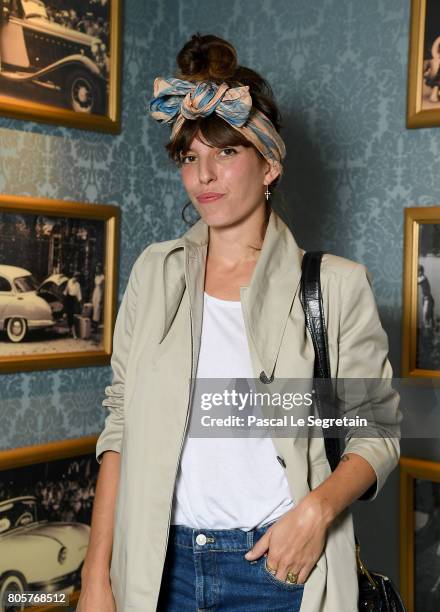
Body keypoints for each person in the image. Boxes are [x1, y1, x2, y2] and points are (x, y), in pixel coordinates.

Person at [77, 34, 400, 611]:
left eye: (225, 152)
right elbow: (120, 428)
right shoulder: (153, 274)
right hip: (158, 571)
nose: (204, 175)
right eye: (189, 156)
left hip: (277, 571)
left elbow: (378, 433)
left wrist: (316, 511)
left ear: (270, 163)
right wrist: (97, 577)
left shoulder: (335, 285)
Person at [63, 271, 82, 339]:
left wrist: (80, 303)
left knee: (72, 316)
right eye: (75, 277)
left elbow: (79, 294)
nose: (76, 278)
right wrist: (65, 293)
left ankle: (73, 333)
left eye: (77, 277)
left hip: (73, 300)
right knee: (69, 316)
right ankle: (71, 332)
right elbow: (65, 292)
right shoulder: (69, 281)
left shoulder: (78, 284)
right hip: (68, 299)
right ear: (73, 276)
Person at [91, 263, 105, 334]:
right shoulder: (96, 276)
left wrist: (101, 298)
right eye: (96, 268)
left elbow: (102, 288)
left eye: (98, 268)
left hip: (99, 293)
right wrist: (92, 296)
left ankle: (96, 328)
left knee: (97, 310)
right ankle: (93, 327)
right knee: (94, 309)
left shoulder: (103, 277)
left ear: (100, 269)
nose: (97, 269)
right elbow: (94, 286)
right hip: (95, 293)